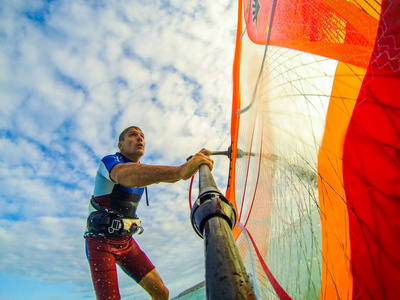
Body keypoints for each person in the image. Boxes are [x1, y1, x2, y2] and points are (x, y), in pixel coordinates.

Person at [84, 126, 214, 300]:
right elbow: (124, 175)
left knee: (162, 293)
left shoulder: (143, 172)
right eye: (133, 135)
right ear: (121, 146)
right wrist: (181, 170)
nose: (140, 138)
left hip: (126, 242)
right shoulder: (109, 162)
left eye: (142, 136)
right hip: (100, 244)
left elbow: (172, 176)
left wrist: (192, 163)